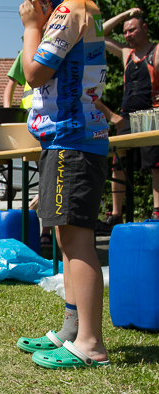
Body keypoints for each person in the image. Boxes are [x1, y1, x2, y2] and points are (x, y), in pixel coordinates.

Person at [14, 0, 110, 369]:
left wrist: (30, 26)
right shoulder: (77, 8)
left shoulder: (70, 10)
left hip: (73, 138)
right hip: (67, 138)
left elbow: (34, 74)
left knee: (76, 237)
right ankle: (73, 328)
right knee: (64, 236)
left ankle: (91, 343)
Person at [98, 7, 159, 233]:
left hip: (152, 116)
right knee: (118, 163)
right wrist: (124, 15)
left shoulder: (156, 52)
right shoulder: (126, 54)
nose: (128, 35)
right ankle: (115, 214)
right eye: (125, 32)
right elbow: (100, 33)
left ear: (145, 28)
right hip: (126, 119)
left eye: (132, 30)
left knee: (155, 166)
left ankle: (157, 211)